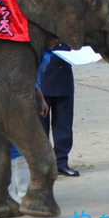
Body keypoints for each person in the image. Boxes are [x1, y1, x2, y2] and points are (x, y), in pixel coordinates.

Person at [39, 42, 79, 177]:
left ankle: (61, 162)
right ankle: (42, 164)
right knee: (40, 127)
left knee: (64, 125)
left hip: (64, 79)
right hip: (43, 82)